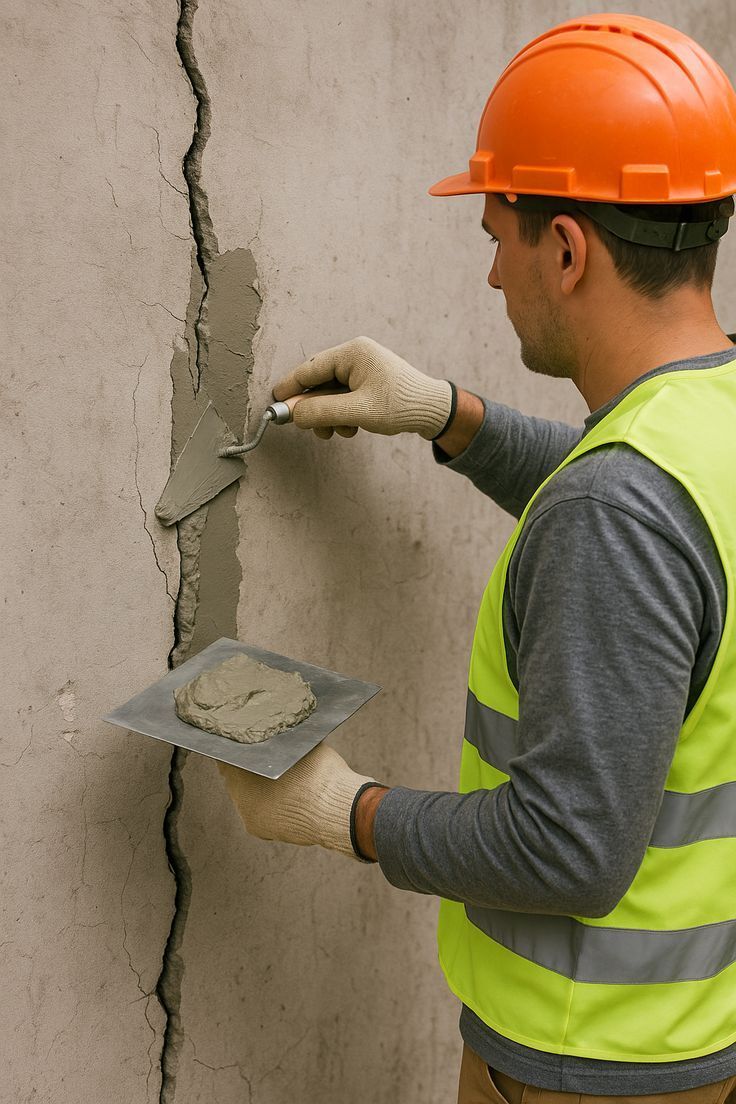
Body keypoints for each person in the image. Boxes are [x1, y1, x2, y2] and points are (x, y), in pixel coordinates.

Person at [217, 14, 736, 1102]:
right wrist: (448, 417)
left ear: (565, 248)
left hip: (579, 1064)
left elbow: (568, 851)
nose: (494, 274)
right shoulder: (708, 417)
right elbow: (647, 518)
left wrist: (342, 809)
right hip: (683, 1036)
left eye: (496, 234)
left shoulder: (617, 508)